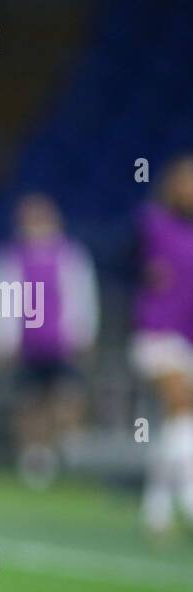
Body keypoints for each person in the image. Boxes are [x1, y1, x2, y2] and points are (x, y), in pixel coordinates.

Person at [0, 193, 99, 489]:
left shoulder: (71, 255)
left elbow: (82, 296)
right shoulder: (8, 257)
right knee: (29, 401)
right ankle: (33, 457)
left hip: (61, 341)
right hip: (26, 342)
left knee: (67, 397)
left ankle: (61, 448)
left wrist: (84, 334)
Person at [132, 156, 193, 537]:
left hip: (186, 337)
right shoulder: (153, 222)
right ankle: (187, 500)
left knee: (176, 426)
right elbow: (128, 255)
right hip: (156, 333)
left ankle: (155, 507)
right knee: (181, 409)